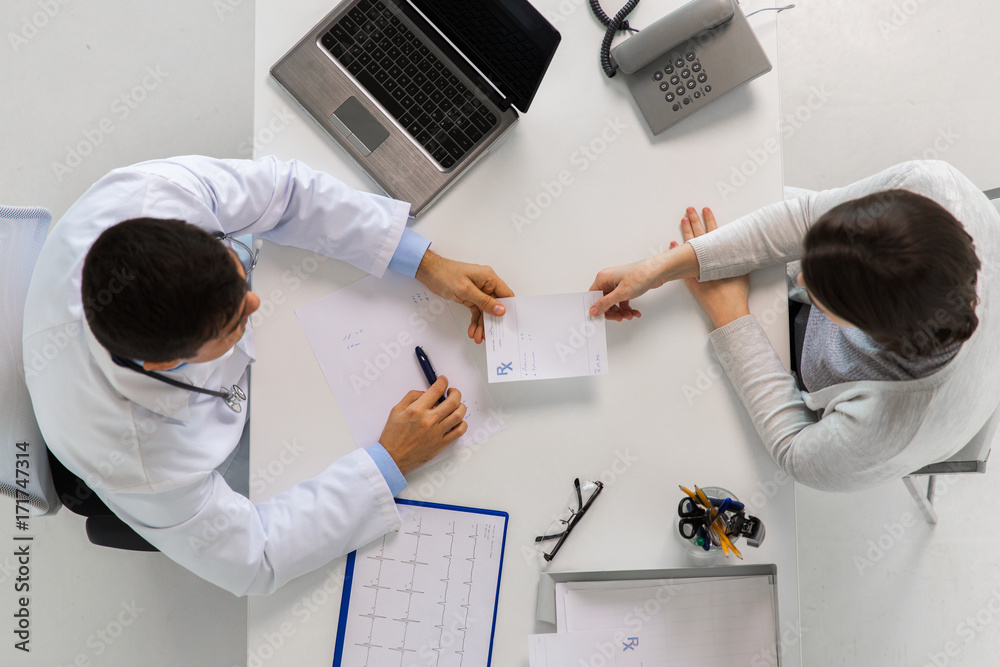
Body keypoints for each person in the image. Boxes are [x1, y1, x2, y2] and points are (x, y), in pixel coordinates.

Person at [22, 155, 513, 595]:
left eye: (235, 273)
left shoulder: (149, 194)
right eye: (235, 323)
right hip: (150, 443)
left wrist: (424, 261)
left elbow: (285, 193)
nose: (256, 302)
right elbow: (256, 558)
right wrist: (391, 461)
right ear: (166, 364)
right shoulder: (141, 458)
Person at [588, 160, 1000, 492]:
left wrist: (730, 314)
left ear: (866, 331)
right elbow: (804, 217)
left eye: (820, 291)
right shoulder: (931, 185)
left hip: (887, 396)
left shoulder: (889, 425)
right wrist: (663, 267)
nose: (801, 279)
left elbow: (794, 450)